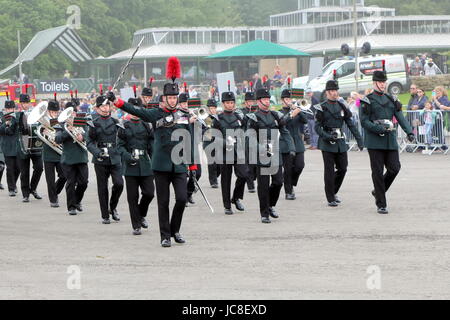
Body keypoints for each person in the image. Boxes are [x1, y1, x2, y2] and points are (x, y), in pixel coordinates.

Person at [110, 56, 197, 248]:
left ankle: (175, 230)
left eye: (175, 97)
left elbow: (189, 139)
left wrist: (192, 163)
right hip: (161, 164)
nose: (173, 100)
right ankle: (165, 236)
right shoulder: (156, 114)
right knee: (163, 202)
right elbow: (137, 111)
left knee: (182, 198)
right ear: (164, 98)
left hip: (180, 163)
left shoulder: (185, 115)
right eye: (170, 97)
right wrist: (117, 102)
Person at [359, 64, 414, 214]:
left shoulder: (391, 99)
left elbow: (399, 117)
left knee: (395, 168)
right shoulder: (367, 101)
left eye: (384, 82)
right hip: (375, 141)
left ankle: (378, 190)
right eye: (380, 82)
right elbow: (364, 121)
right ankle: (381, 203)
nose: (383, 84)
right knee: (377, 172)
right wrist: (379, 128)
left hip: (390, 140)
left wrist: (409, 131)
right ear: (374, 82)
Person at [246, 85, 295, 223]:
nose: (267, 101)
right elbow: (250, 136)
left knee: (279, 181)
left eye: (268, 99)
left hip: (274, 152)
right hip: (261, 154)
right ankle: (264, 213)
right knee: (263, 185)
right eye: (264, 99)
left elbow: (284, 131)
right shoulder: (253, 117)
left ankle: (271, 204)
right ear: (258, 101)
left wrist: (291, 147)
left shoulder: (275, 115)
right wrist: (259, 148)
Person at [315, 78, 364, 207]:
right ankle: (330, 196)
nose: (334, 93)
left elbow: (351, 124)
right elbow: (317, 127)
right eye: (331, 91)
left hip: (340, 141)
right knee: (329, 170)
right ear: (327, 92)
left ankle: (333, 190)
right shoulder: (322, 107)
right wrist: (327, 136)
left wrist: (359, 139)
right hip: (327, 141)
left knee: (343, 168)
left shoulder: (342, 106)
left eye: (336, 90)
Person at [118, 97, 155, 235]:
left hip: (145, 163)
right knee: (132, 197)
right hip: (130, 165)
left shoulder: (147, 125)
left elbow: (152, 146)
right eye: (133, 109)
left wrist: (155, 161)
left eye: (138, 109)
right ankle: (136, 225)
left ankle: (141, 214)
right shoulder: (123, 126)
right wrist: (128, 157)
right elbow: (120, 147)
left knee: (149, 193)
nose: (135, 112)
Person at [87, 90, 124, 224]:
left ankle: (112, 207)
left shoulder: (116, 121)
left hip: (114, 156)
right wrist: (97, 152)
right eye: (102, 106)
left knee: (119, 184)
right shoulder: (92, 122)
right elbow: (89, 142)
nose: (105, 108)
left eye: (107, 105)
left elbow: (122, 139)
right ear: (97, 108)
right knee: (102, 188)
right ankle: (105, 215)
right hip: (100, 157)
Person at [211, 86, 248, 215]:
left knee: (243, 175)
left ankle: (236, 198)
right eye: (227, 102)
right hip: (224, 153)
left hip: (238, 151)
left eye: (232, 102)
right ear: (223, 103)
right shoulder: (218, 119)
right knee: (226, 180)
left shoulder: (239, 117)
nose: (230, 105)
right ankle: (227, 205)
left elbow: (244, 130)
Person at [55, 109, 89, 216]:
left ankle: (77, 201)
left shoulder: (82, 123)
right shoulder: (61, 125)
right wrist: (68, 131)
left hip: (81, 157)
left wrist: (82, 137)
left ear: (75, 114)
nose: (70, 117)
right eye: (68, 115)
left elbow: (90, 135)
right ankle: (71, 207)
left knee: (84, 182)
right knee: (71, 182)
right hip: (68, 159)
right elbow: (57, 139)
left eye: (72, 114)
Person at [279, 86, 308, 200]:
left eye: (290, 99)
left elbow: (305, 120)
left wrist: (298, 110)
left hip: (298, 143)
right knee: (288, 168)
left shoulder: (297, 109)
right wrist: (291, 114)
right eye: (286, 99)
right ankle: (288, 190)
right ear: (282, 100)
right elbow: (282, 122)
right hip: (286, 143)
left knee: (300, 166)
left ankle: (291, 182)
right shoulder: (279, 112)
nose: (289, 101)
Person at [16, 92, 44, 202]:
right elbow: (14, 128)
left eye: (27, 102)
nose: (25, 105)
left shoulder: (35, 113)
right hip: (23, 141)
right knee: (24, 171)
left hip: (35, 143)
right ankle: (25, 194)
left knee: (39, 168)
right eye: (23, 103)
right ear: (20, 104)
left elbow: (41, 125)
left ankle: (33, 188)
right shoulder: (17, 115)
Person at [41, 97, 67, 208]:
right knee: (50, 179)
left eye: (56, 112)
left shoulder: (61, 121)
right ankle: (53, 199)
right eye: (52, 112)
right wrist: (44, 132)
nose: (54, 114)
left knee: (64, 175)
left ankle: (54, 192)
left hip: (59, 153)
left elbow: (64, 134)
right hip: (48, 154)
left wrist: (58, 139)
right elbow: (39, 135)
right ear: (48, 111)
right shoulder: (43, 121)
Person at [239, 84, 257, 193]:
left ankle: (252, 177)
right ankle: (250, 185)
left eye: (252, 101)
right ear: (245, 103)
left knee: (255, 164)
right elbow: (243, 121)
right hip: (245, 140)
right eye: (249, 102)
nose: (251, 103)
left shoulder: (257, 111)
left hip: (256, 139)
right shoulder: (242, 112)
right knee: (249, 163)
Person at [0, 97, 20, 196]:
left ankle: (14, 183)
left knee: (18, 168)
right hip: (7, 146)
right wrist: (5, 124)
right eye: (7, 109)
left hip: (17, 146)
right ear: (5, 109)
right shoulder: (2, 118)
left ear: (13, 108)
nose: (9, 110)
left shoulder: (17, 117)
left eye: (10, 109)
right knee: (10, 168)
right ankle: (11, 189)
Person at [203, 99, 221, 188]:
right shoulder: (205, 119)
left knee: (219, 164)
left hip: (218, 143)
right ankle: (213, 181)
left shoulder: (219, 118)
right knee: (212, 162)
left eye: (214, 108)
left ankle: (215, 176)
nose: (213, 110)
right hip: (208, 143)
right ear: (208, 109)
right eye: (211, 108)